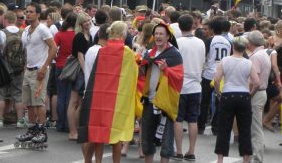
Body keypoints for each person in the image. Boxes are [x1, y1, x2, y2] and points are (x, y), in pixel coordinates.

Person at [78, 21, 136, 163]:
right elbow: (132, 74)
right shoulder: (127, 52)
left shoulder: (101, 51)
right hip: (118, 100)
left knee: (98, 134)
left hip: (99, 98)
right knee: (116, 135)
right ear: (123, 34)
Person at [140, 23, 184, 163]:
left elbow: (179, 78)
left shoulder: (174, 54)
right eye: (156, 34)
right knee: (147, 138)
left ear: (168, 37)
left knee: (166, 140)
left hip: (166, 103)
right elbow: (142, 74)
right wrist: (141, 64)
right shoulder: (149, 53)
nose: (158, 36)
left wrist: (166, 70)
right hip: (149, 100)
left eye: (161, 34)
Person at [213, 36, 259, 163]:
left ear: (233, 47)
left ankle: (220, 159)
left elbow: (216, 80)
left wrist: (218, 93)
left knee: (223, 128)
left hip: (227, 94)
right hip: (243, 95)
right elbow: (256, 83)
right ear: (245, 49)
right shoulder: (248, 63)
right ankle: (245, 159)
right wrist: (250, 95)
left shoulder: (225, 60)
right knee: (245, 129)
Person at [16, 2, 57, 145]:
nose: (28, 14)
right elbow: (27, 51)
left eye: (31, 12)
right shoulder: (26, 30)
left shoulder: (43, 29)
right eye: (27, 11)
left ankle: (42, 132)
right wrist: (25, 67)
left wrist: (44, 67)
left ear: (38, 14)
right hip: (28, 70)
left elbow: (53, 48)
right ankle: (32, 129)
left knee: (38, 103)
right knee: (28, 103)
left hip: (39, 70)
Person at [174, 14, 206, 161]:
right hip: (195, 85)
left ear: (180, 26)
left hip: (180, 85)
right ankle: (191, 151)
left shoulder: (177, 42)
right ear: (193, 25)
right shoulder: (200, 43)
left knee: (178, 119)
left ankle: (179, 151)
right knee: (193, 120)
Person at [198, 17, 231, 135]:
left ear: (212, 29)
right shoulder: (228, 42)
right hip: (222, 74)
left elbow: (203, 56)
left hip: (209, 74)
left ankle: (201, 125)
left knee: (204, 101)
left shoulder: (209, 41)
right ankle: (216, 126)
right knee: (219, 101)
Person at [0, 10, 27, 129]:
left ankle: (0, 120)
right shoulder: (23, 32)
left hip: (4, 68)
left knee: (1, 94)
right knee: (18, 94)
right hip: (18, 68)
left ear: (5, 20)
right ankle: (20, 120)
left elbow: (0, 48)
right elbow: (24, 50)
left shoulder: (2, 33)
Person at [246, 31, 272, 163]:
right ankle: (255, 156)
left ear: (250, 42)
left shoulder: (256, 56)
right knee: (255, 127)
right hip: (261, 92)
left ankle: (257, 158)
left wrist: (249, 95)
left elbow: (254, 81)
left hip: (256, 93)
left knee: (255, 128)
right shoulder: (264, 53)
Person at [68, 12, 93, 140]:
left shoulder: (89, 35)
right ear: (80, 24)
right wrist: (85, 71)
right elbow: (80, 56)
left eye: (89, 20)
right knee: (74, 102)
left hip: (85, 71)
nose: (88, 23)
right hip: (80, 71)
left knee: (81, 102)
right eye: (85, 21)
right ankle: (72, 131)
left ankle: (77, 130)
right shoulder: (79, 36)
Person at [54, 12, 77, 133]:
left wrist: (57, 58)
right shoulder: (77, 35)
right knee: (70, 97)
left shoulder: (59, 34)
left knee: (60, 95)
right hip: (73, 67)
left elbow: (53, 49)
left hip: (60, 65)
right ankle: (69, 124)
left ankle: (60, 123)